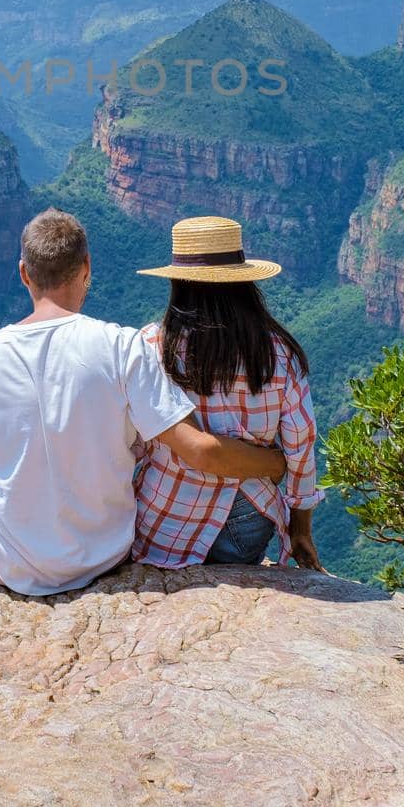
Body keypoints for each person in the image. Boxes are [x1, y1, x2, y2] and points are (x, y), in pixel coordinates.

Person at [0, 208, 288, 596]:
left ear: (24, 272)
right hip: (105, 556)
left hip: (7, 561)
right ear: (87, 267)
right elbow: (199, 449)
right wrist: (276, 462)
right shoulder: (123, 347)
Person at [132, 215, 323, 571]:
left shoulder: (152, 345)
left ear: (178, 281)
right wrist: (301, 530)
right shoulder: (278, 354)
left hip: (165, 521)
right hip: (247, 525)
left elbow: (134, 443)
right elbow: (301, 442)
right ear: (243, 280)